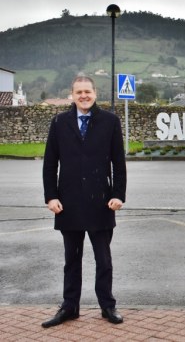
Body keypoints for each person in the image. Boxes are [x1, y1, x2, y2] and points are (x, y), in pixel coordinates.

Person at [42, 75, 127, 328]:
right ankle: (70, 307)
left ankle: (107, 306)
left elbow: (118, 164)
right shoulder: (59, 122)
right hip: (67, 204)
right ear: (72, 95)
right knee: (71, 260)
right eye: (78, 92)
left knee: (104, 260)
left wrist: (118, 195)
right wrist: (51, 196)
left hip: (101, 202)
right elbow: (49, 164)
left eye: (87, 91)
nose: (83, 96)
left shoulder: (110, 122)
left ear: (95, 93)